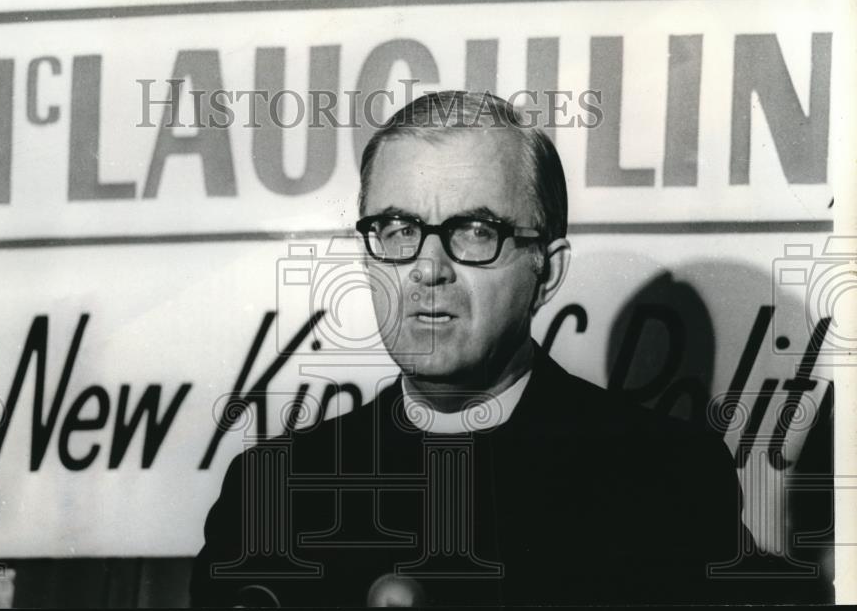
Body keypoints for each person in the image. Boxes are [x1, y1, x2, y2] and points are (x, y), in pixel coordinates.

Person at [191, 91, 749, 606]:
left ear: (547, 271)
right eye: (398, 228)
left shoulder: (668, 481)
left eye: (477, 231)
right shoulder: (269, 493)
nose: (429, 268)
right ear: (368, 257)